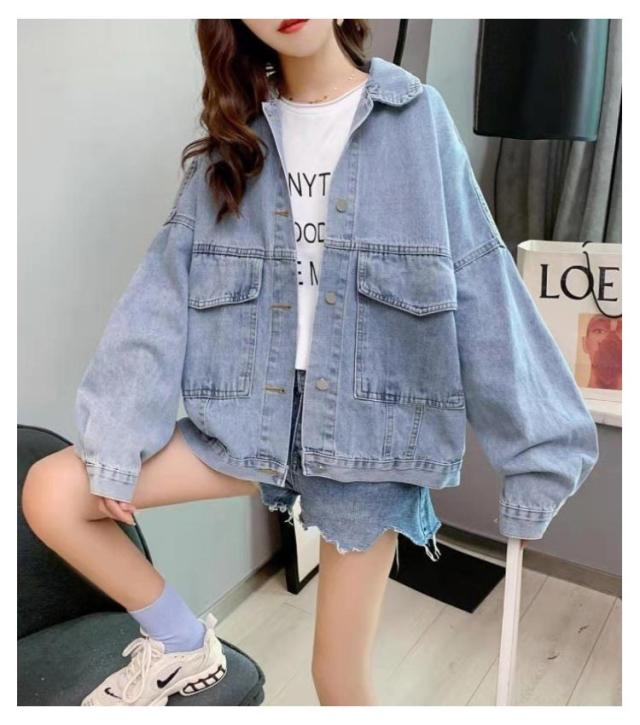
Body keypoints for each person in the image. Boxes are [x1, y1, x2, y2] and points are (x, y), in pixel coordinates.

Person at [21, 18, 598, 707]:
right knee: (51, 490)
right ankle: (179, 640)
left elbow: (482, 278)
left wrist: (536, 455)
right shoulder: (235, 142)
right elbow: (160, 296)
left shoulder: (417, 121)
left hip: (367, 440)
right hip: (249, 425)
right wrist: (118, 433)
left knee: (337, 677)